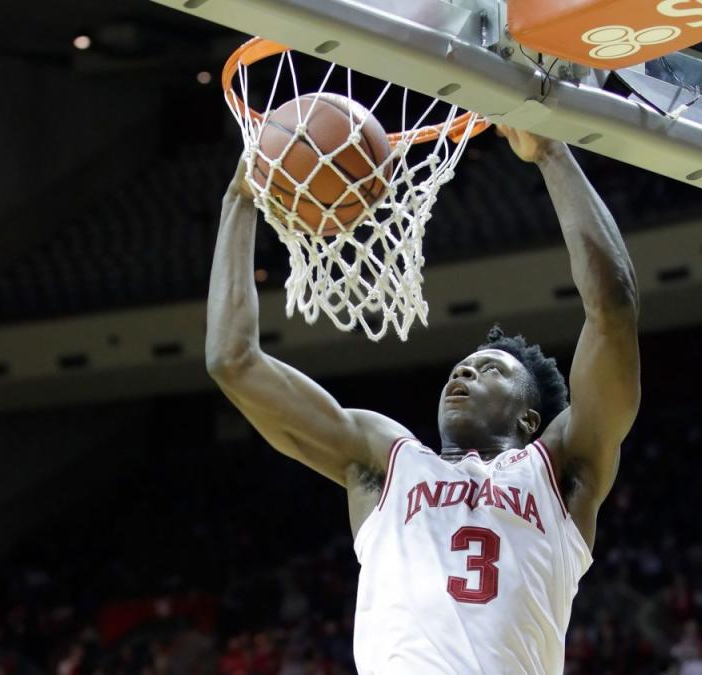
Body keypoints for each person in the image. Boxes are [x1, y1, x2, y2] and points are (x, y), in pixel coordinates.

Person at [205, 125, 641, 674]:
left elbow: (614, 308)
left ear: (530, 418)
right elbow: (232, 362)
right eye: (461, 368)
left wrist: (551, 152)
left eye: (488, 372)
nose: (463, 374)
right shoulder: (385, 460)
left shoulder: (561, 471)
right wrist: (240, 199)